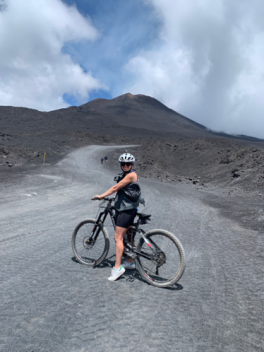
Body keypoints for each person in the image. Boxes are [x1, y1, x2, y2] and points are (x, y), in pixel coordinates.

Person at [92, 153, 144, 281]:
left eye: (128, 164)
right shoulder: (127, 175)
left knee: (118, 237)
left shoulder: (131, 175)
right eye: (123, 164)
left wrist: (101, 195)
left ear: (132, 165)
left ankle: (117, 268)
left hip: (126, 210)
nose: (125, 166)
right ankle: (130, 262)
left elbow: (116, 187)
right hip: (131, 209)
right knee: (129, 235)